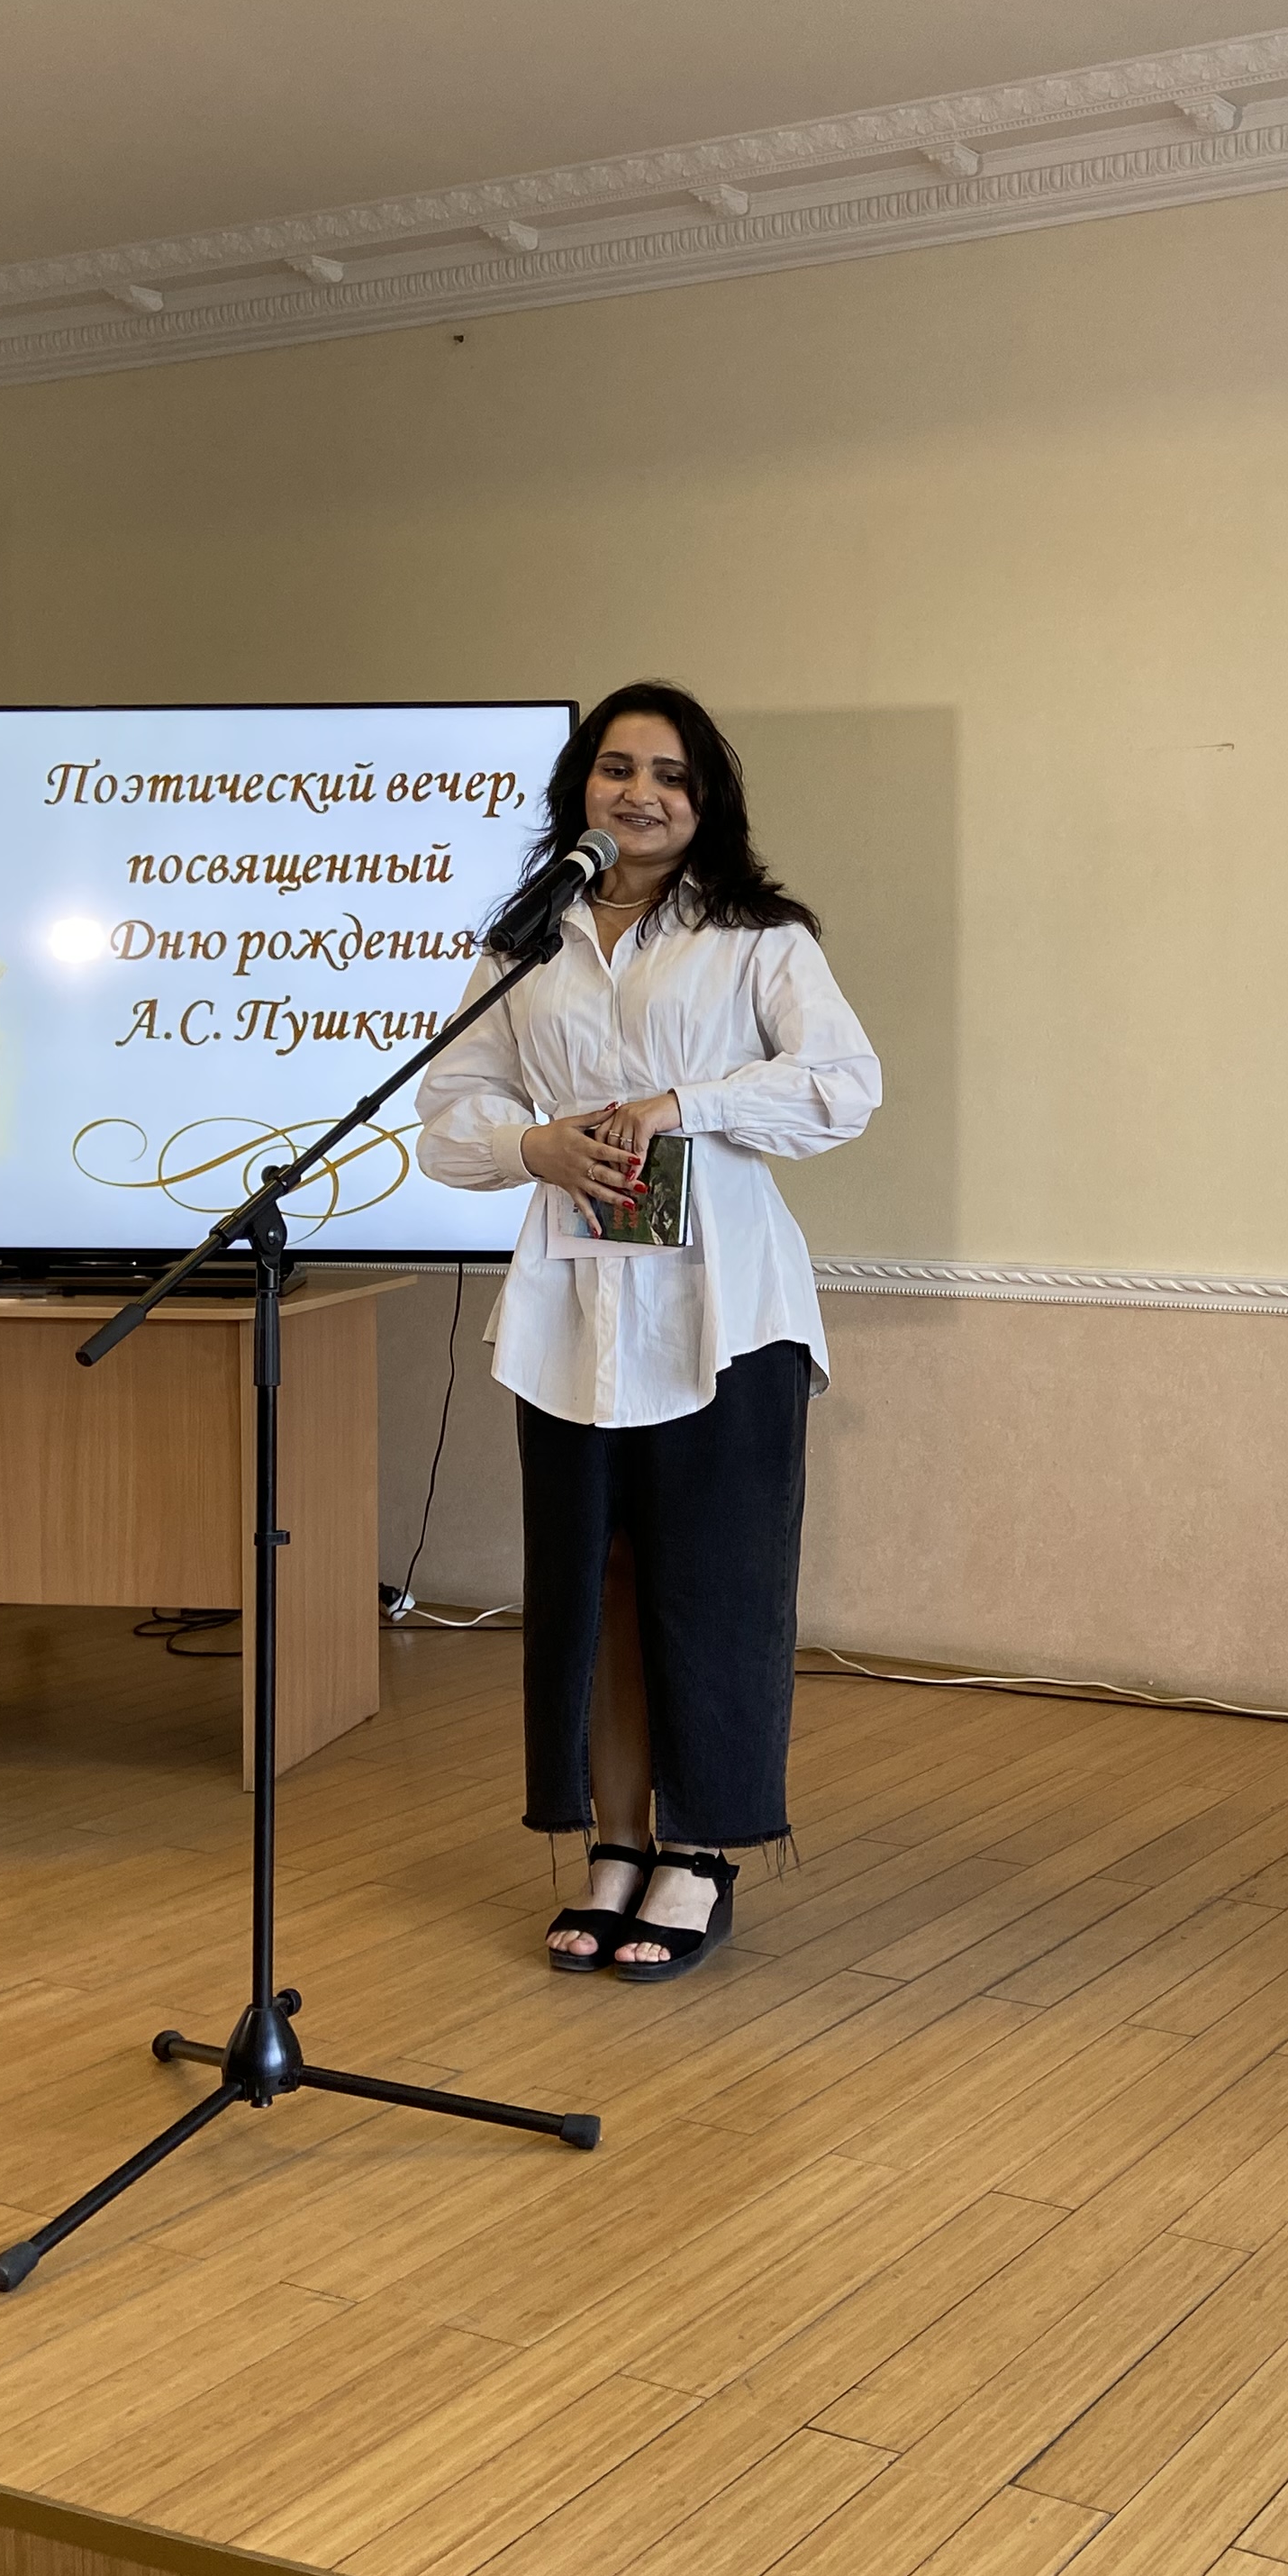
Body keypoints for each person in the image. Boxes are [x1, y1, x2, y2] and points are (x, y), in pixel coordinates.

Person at [415, 685, 879, 1978]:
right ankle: (617, 1842)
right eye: (617, 768)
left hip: (728, 1313)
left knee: (712, 1584)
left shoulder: (758, 937)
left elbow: (843, 1087)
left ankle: (700, 1852)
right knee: (596, 1584)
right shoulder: (526, 941)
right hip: (572, 1310)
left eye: (670, 775)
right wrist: (534, 1144)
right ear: (580, 786)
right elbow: (449, 1111)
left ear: (705, 798)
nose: (642, 794)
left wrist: (686, 1102)